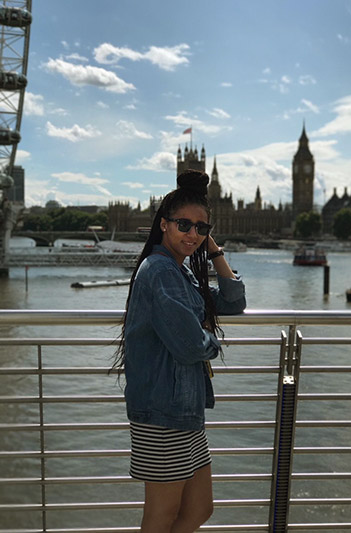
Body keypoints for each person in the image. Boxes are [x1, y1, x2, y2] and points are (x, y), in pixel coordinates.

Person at [114, 169, 246, 532]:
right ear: (163, 225)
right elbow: (190, 346)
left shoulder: (183, 273)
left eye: (201, 228)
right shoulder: (159, 271)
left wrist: (214, 250)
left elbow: (233, 301)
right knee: (161, 516)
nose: (192, 234)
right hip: (162, 412)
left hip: (185, 411)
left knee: (200, 509)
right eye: (183, 225)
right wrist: (211, 340)